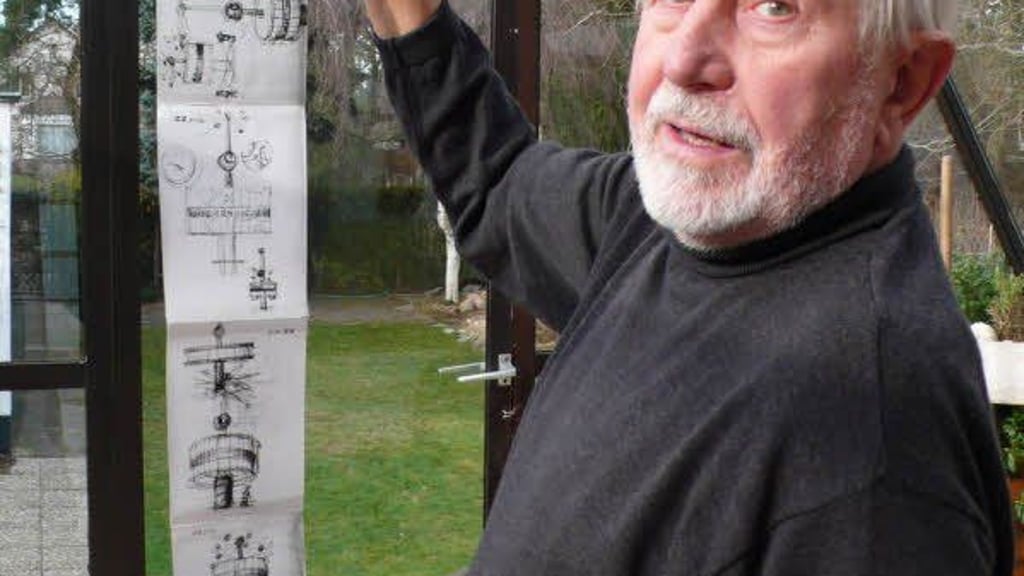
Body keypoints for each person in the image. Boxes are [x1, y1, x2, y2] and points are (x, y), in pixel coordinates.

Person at [366, 0, 1014, 574]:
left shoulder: (870, 453)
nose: (682, 61)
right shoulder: (661, 226)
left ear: (902, 82)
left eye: (774, 8)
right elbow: (498, 182)